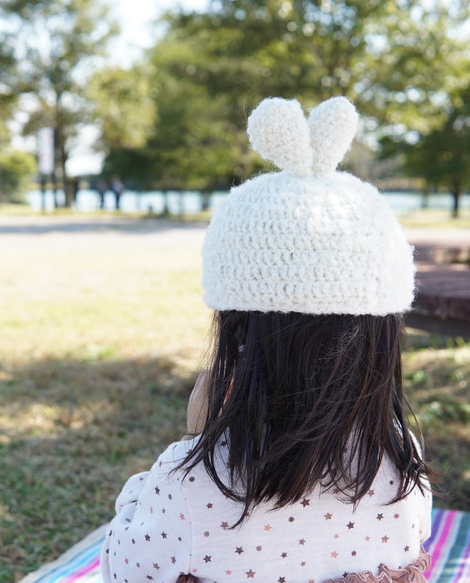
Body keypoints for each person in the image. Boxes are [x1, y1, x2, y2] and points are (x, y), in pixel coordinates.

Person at [101, 96, 434, 583]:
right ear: (382, 343)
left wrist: (191, 445)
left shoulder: (189, 481)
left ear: (237, 331)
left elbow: (122, 570)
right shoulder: (404, 468)